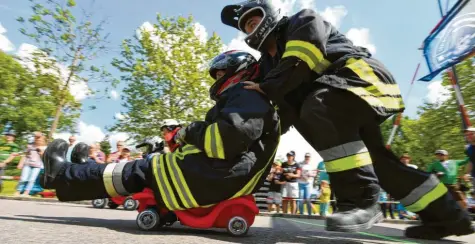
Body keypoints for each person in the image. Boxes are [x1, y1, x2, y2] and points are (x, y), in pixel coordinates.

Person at [220, 0, 474, 239]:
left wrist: (266, 88)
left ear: (269, 14)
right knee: (381, 167)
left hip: (363, 81)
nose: (251, 30)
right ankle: (448, 216)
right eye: (246, 28)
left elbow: (299, 63)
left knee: (316, 107)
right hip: (333, 104)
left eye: (254, 22)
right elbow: (281, 112)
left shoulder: (302, 21)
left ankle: (361, 201)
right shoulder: (268, 65)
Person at [40, 50, 281, 214]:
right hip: (218, 174)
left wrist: (190, 130)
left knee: (139, 169)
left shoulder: (247, 95)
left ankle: (62, 175)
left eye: (220, 73)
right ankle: (77, 173)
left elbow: (224, 140)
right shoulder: (249, 99)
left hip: (215, 176)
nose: (217, 79)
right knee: (139, 169)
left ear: (239, 71)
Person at [14, 132, 47, 196]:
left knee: (32, 180)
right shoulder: (30, 145)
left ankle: (26, 192)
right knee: (23, 178)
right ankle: (18, 191)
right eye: (36, 138)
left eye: (39, 139)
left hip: (37, 166)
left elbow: (45, 157)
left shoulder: (45, 147)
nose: (38, 140)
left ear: (43, 140)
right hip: (27, 164)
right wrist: (20, 163)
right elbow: (25, 155)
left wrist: (41, 151)